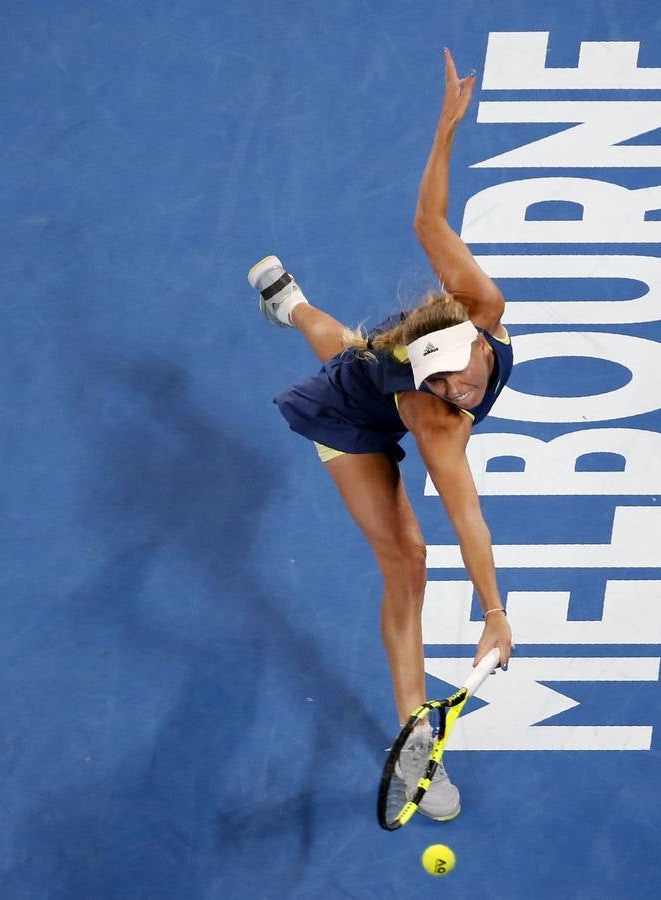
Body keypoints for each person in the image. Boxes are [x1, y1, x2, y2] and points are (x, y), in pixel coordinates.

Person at [247, 49, 511, 822]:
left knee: (345, 343)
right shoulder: (436, 420)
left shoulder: (478, 304)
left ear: (470, 336)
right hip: (350, 420)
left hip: (370, 368)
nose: (461, 394)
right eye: (442, 389)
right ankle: (413, 742)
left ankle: (288, 303)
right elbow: (468, 518)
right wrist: (495, 612)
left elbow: (427, 220)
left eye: (462, 379)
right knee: (410, 562)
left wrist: (446, 129)